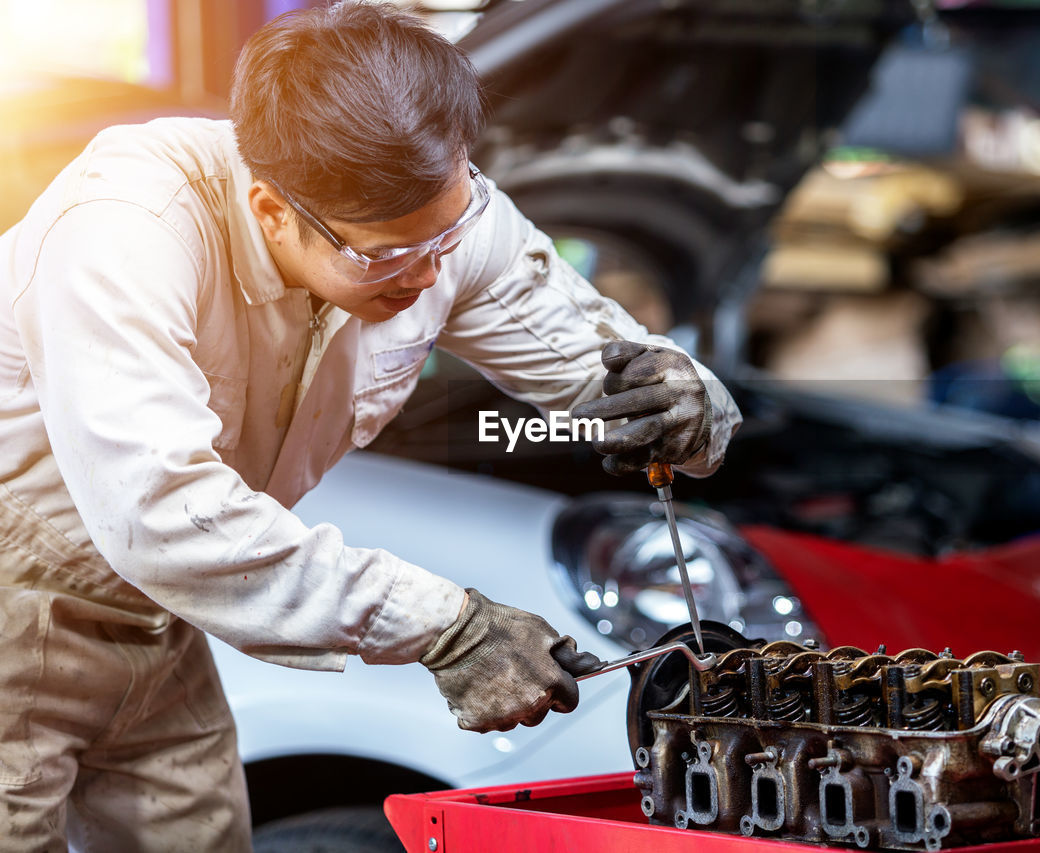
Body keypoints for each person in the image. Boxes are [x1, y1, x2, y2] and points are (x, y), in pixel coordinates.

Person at [0, 3, 740, 850]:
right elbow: (159, 513)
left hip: (165, 622)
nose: (429, 276)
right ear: (273, 211)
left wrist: (689, 404)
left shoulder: (435, 217)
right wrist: (445, 624)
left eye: (447, 235)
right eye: (386, 256)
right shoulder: (125, 232)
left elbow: (610, 372)